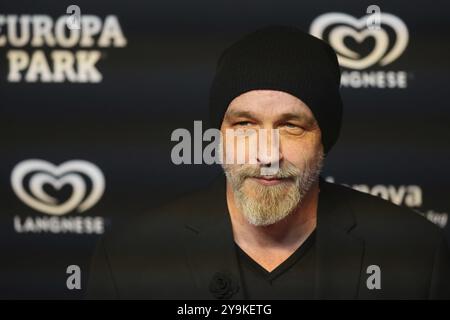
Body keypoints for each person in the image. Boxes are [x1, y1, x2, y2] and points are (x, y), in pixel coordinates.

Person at [87, 25, 450, 299]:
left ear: (324, 139)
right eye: (244, 125)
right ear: (219, 136)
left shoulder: (416, 255)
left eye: (291, 127)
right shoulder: (129, 260)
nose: (266, 155)